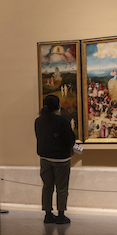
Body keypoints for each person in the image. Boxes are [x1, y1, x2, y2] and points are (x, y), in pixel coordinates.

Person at [35, 94, 76, 224]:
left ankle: (47, 214)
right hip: (61, 159)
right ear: (57, 106)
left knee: (47, 186)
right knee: (61, 188)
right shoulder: (61, 121)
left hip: (44, 157)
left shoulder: (38, 121)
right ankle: (61, 215)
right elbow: (70, 139)